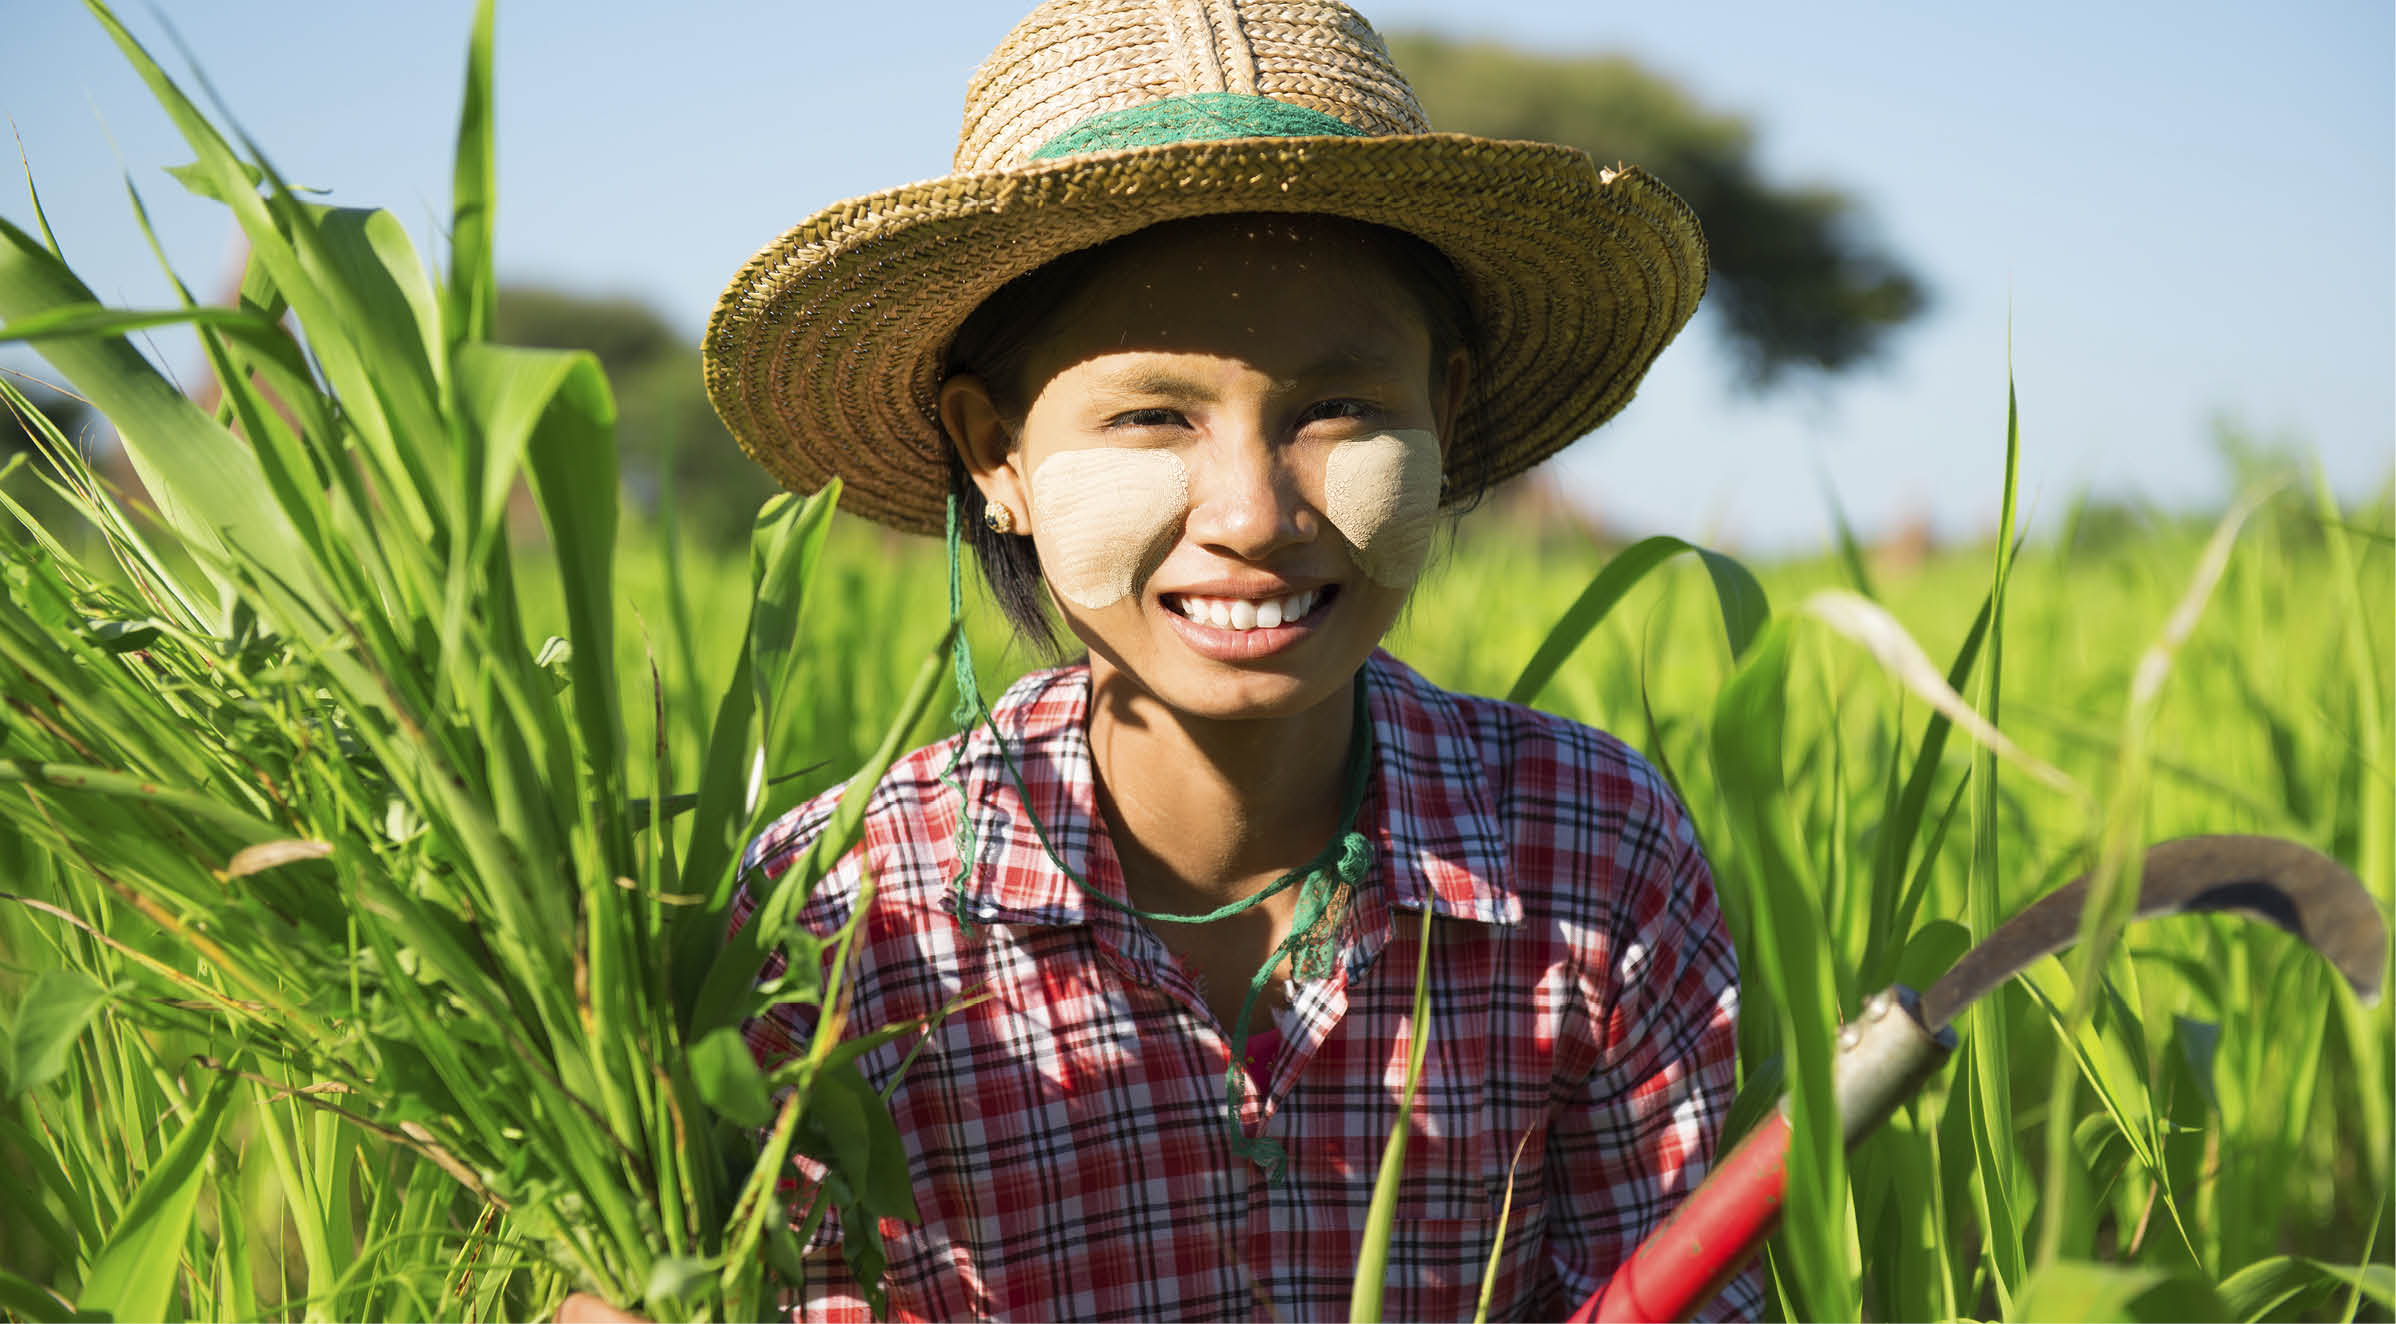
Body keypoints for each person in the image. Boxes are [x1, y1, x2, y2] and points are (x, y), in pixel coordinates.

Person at [686, 1, 1759, 1319]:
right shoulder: (842, 918)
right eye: (1150, 418)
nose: (1254, 515)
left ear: (1448, 414)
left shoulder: (1593, 856)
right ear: (995, 456)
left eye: (1339, 411)